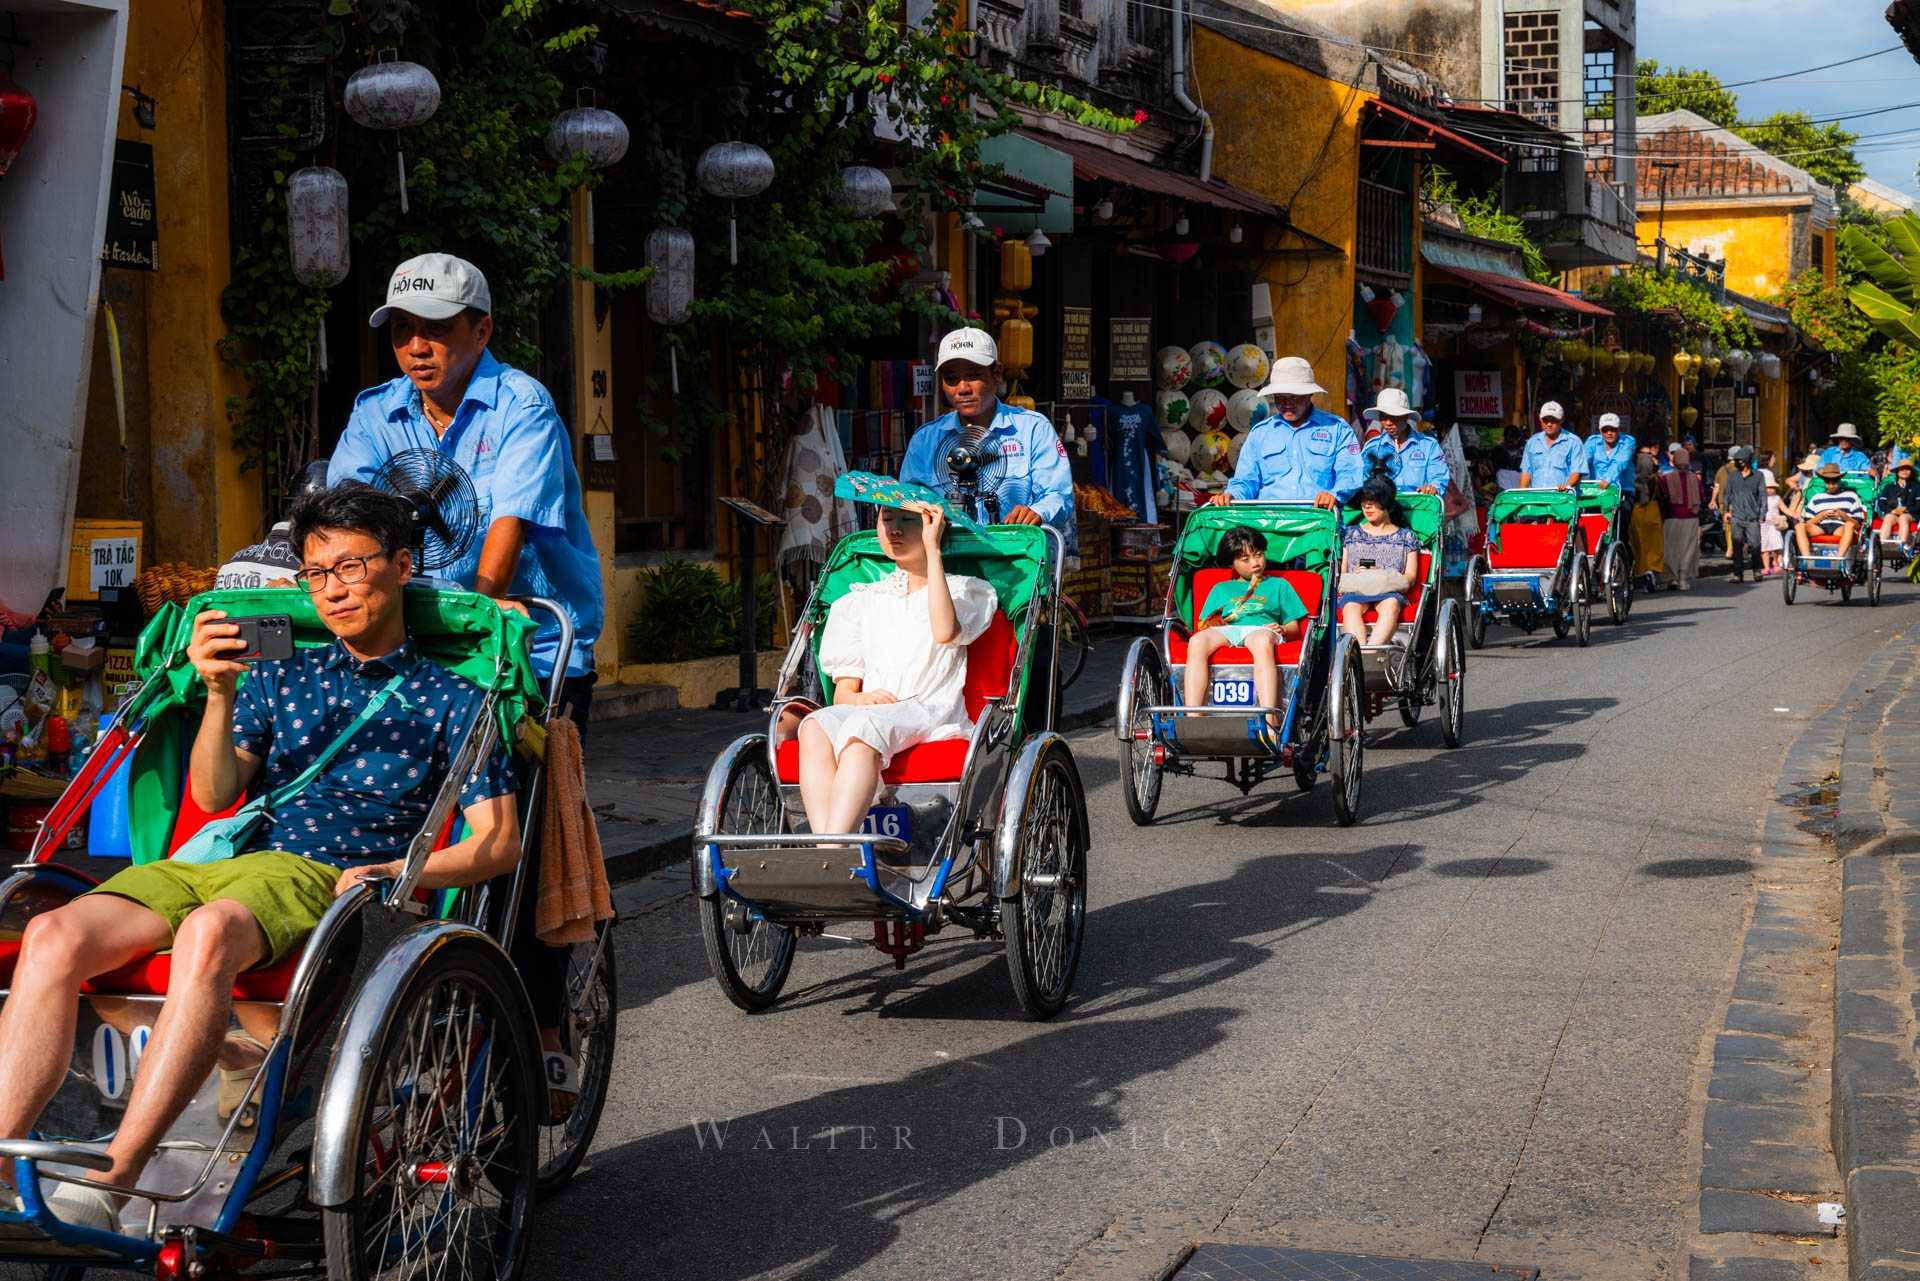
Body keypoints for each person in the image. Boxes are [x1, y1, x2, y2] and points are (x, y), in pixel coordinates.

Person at [0, 484, 519, 1229]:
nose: (333, 589)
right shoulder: (282, 675)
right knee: (50, 932)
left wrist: (401, 871)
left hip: (319, 874)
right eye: (317, 573)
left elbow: (499, 839)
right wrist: (217, 691)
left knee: (209, 931)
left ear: (402, 566)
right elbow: (214, 794)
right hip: (222, 856)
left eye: (351, 566)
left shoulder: (453, 698)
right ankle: (2, 1160)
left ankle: (120, 1170)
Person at [329, 253, 605, 1118]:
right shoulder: (378, 413)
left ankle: (549, 1021)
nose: (419, 346)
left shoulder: (521, 405)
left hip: (525, 651)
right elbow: (340, 516)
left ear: (480, 331)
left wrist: (477, 605)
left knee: (521, 843)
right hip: (414, 648)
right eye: (405, 331)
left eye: (439, 330)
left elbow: (505, 539)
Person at [798, 502, 997, 836]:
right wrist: (861, 700)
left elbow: (946, 631)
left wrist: (933, 552)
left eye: (908, 521)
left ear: (934, 527)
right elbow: (845, 691)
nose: (894, 530)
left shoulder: (966, 590)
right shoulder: (859, 601)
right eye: (886, 520)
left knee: (862, 731)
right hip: (874, 710)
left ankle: (835, 848)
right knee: (814, 726)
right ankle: (827, 849)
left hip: (929, 708)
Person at [899, 328, 1075, 544]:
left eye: (974, 375)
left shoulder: (1032, 430)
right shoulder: (925, 441)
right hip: (946, 567)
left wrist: (1038, 512)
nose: (962, 388)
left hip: (1017, 562)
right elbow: (907, 505)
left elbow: (1059, 494)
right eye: (952, 379)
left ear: (997, 373)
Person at [1184, 526, 1309, 728]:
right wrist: (1216, 622)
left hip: (1262, 629)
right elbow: (1204, 625)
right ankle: (1192, 721)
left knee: (1260, 641)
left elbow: (1294, 627)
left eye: (1258, 555)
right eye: (1245, 559)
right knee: (1197, 641)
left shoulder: (1279, 585)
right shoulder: (1221, 588)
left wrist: (1283, 630)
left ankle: (1270, 719)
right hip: (1229, 630)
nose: (1255, 563)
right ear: (1232, 563)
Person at [1213, 356, 1364, 509]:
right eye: (1280, 397)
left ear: (1309, 395)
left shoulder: (1337, 428)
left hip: (1318, 520)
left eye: (1294, 397)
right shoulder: (1260, 433)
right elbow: (1246, 480)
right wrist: (1232, 495)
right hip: (1268, 523)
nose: (1287, 404)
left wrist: (1334, 494)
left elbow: (1351, 473)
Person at [1337, 477, 1421, 649]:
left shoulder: (1407, 537)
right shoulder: (1351, 534)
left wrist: (1383, 575)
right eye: (1364, 502)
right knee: (1350, 607)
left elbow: (1410, 576)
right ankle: (1357, 656)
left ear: (1387, 504)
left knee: (1390, 605)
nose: (1367, 507)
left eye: (1373, 502)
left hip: (1389, 590)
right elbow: (1343, 571)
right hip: (1357, 588)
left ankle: (1370, 653)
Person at [1358, 388, 1449, 494]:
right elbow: (1361, 480)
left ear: (1405, 416)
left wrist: (1432, 488)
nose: (1388, 423)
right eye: (1383, 417)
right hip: (1383, 507)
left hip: (1419, 507)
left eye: (1393, 416)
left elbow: (1438, 478)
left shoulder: (1429, 446)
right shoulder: (1371, 447)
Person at [1791, 462, 1870, 560]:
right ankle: (1807, 559)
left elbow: (1858, 525)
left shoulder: (1851, 497)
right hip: (1820, 527)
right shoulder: (1816, 498)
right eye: (1828, 482)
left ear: (1839, 480)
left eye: (1834, 481)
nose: (1831, 485)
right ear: (1824, 481)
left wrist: (1844, 516)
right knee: (1799, 526)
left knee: (1850, 525)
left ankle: (1838, 559)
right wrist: (1820, 517)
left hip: (1841, 527)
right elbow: (1808, 523)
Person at [1657, 442, 1704, 590]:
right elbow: (1702, 496)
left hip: (1671, 518)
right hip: (1691, 518)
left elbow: (1661, 497)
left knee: (1670, 550)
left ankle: (1670, 579)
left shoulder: (1665, 478)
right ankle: (1683, 579)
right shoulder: (1695, 479)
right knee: (1688, 550)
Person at [1721, 446, 1767, 582]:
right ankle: (1737, 574)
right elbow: (1727, 495)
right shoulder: (1732, 476)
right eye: (1737, 460)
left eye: (1741, 460)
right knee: (1737, 545)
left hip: (1753, 517)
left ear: (1748, 460)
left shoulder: (1758, 475)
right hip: (1736, 516)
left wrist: (1762, 514)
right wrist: (1725, 512)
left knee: (1756, 545)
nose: (1739, 463)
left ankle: (1757, 571)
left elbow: (1763, 495)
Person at [1517, 401, 1586, 490]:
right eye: (1545, 420)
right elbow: (1526, 472)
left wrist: (1567, 485)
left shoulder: (1574, 442)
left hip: (1562, 499)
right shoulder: (1532, 442)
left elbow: (1576, 473)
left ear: (1562, 420)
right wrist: (1522, 494)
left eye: (1553, 420)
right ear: (1540, 419)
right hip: (1536, 499)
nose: (1549, 424)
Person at [1584, 413, 1637, 500]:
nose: (1609, 433)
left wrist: (1608, 479)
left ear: (1619, 429)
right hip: (1597, 490)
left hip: (1623, 490)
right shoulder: (1592, 441)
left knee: (1623, 511)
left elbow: (1620, 462)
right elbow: (1583, 461)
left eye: (1613, 429)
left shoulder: (1628, 441)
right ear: (1600, 430)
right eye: (1605, 430)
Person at [1878, 458, 1920, 548]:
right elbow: (1881, 504)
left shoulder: (1917, 487)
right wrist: (1892, 511)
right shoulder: (1889, 487)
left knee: (1903, 518)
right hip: (1893, 513)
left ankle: (1902, 546)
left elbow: (1919, 505)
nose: (1904, 471)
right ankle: (1883, 546)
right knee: (1888, 518)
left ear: (1911, 472)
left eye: (1907, 469)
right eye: (1902, 468)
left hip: (1910, 514)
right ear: (1897, 471)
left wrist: (1906, 509)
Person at [1761, 470, 1787, 578]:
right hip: (1762, 525)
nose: (1770, 490)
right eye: (1768, 488)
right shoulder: (1760, 498)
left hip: (1774, 525)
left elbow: (1784, 509)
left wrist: (1794, 514)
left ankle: (1775, 561)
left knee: (1776, 546)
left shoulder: (1777, 498)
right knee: (1764, 548)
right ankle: (1766, 567)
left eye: (1772, 488)